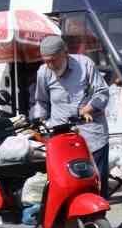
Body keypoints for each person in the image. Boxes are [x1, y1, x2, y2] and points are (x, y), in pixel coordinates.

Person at [29, 34, 111, 188]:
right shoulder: (43, 72)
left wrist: (89, 108)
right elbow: (41, 102)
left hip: (92, 136)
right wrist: (38, 120)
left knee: (97, 185)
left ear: (65, 53)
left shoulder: (85, 64)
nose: (50, 65)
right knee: (68, 185)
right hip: (62, 139)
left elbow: (102, 92)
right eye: (46, 61)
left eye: (53, 60)